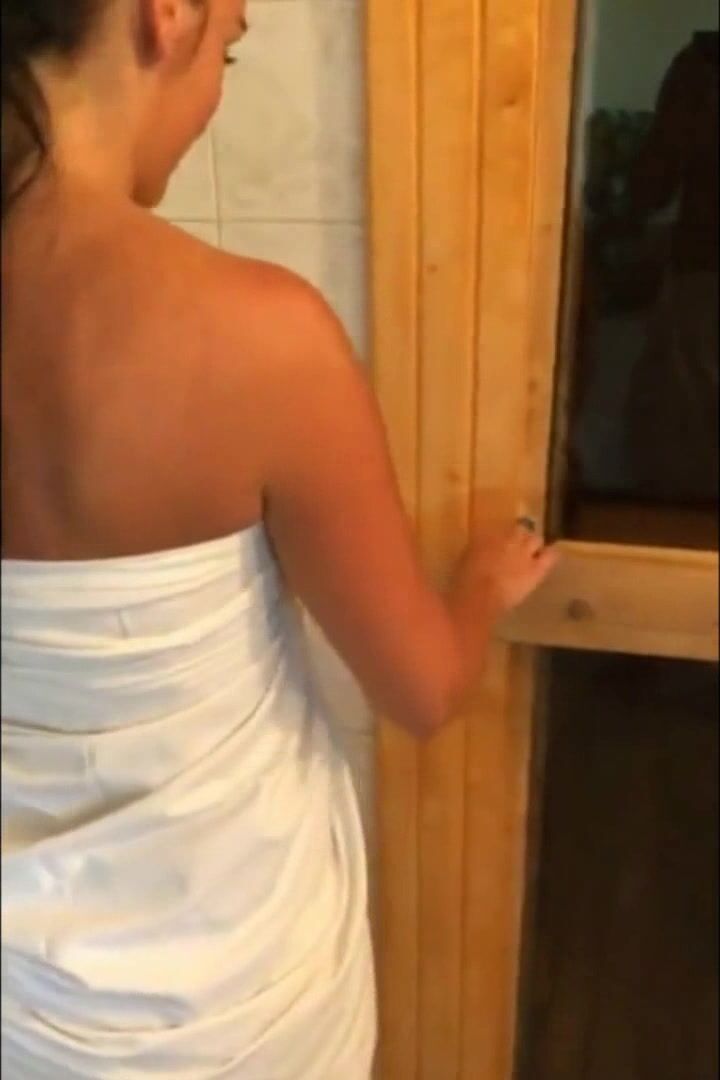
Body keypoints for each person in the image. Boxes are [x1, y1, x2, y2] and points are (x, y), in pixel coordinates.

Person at [0, 1, 558, 1076]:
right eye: (232, 48)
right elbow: (423, 689)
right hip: (243, 1007)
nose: (218, 87)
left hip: (26, 1014)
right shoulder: (260, 336)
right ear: (166, 15)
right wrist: (483, 588)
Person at [626, 31, 719, 503]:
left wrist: (625, 216)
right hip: (703, 266)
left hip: (704, 267)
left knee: (681, 426)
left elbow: (657, 174)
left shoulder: (703, 65)